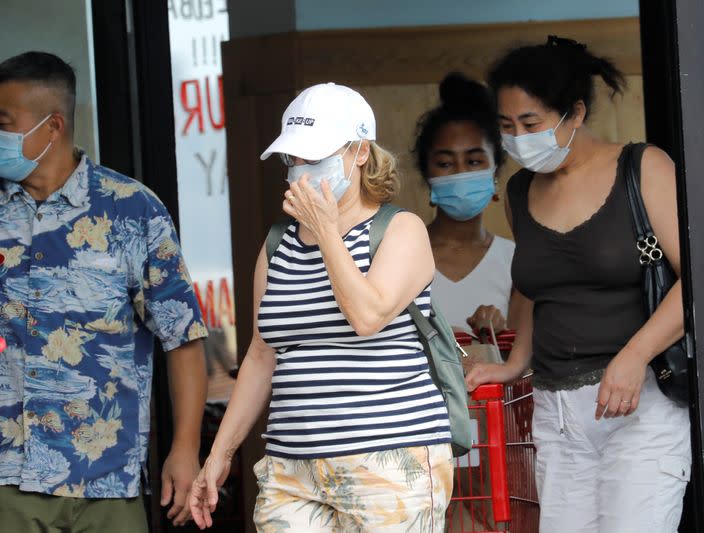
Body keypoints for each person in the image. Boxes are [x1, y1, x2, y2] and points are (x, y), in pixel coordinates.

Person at [0, 52, 208, 532]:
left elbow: (182, 338)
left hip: (107, 479)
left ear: (52, 126)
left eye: (3, 122)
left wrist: (185, 449)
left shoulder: (131, 210)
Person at [188, 83, 454, 532]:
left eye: (316, 156)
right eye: (293, 158)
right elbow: (260, 356)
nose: (301, 170)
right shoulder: (278, 245)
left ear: (360, 152)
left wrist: (327, 233)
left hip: (390, 460)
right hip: (292, 468)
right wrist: (219, 456)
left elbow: (367, 317)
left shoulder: (399, 230)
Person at [466, 36, 690, 533]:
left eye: (531, 124)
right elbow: (534, 289)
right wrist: (513, 365)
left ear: (576, 113)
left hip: (639, 402)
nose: (518, 138)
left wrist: (633, 357)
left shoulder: (643, 168)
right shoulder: (521, 190)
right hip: (556, 411)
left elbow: (693, 283)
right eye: (506, 127)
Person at [414, 72, 520, 335]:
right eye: (445, 163)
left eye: (473, 161)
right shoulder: (399, 257)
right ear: (427, 175)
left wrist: (501, 335)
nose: (460, 174)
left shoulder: (517, 262)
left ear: (495, 172)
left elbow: (524, 363)